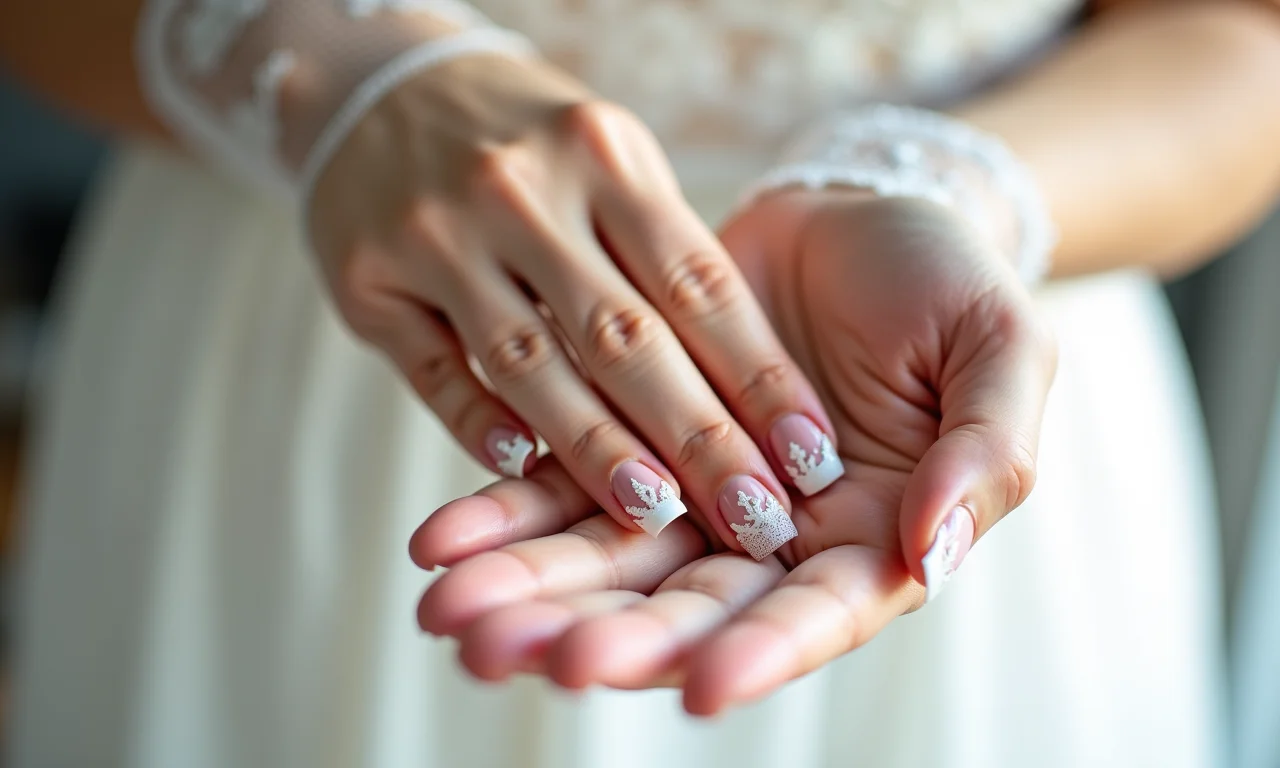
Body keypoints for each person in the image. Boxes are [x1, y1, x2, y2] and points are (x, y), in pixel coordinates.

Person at [1, 1, 1279, 767]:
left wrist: (941, 185)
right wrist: (340, 79)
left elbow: (1236, 37)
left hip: (915, 374)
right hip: (290, 349)